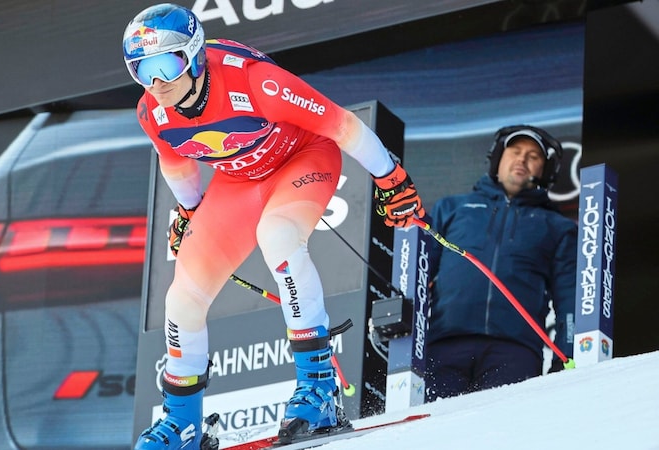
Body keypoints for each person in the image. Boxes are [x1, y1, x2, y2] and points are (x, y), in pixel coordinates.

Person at [122, 4, 424, 449]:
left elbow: (343, 125)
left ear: (195, 54)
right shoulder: (152, 111)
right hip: (240, 180)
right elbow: (176, 162)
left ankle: (319, 389)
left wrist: (390, 178)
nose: (157, 83)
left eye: (166, 64)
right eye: (142, 70)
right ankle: (183, 422)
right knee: (181, 296)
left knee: (278, 237)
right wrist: (188, 212)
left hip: (304, 157)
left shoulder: (253, 80)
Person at [424, 125, 577, 402]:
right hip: (444, 345)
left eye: (533, 156)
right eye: (515, 152)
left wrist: (565, 359)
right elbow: (416, 278)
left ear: (546, 169)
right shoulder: (451, 208)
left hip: (515, 352)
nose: (522, 160)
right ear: (497, 159)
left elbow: (569, 301)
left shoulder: (557, 227)